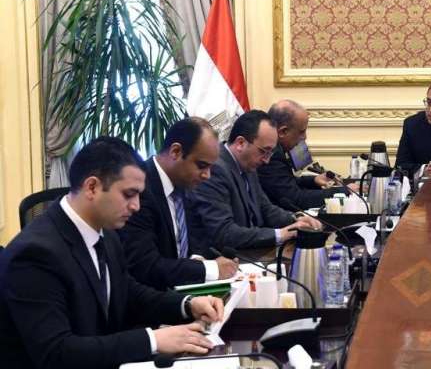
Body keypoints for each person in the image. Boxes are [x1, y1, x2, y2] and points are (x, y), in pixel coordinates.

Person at [0, 137, 224, 369]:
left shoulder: (105, 232)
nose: (136, 206)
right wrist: (153, 340)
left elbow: (127, 292)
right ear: (92, 187)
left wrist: (187, 304)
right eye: (129, 194)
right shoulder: (35, 254)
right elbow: (56, 352)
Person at [119, 118, 239, 290]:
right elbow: (145, 267)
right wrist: (210, 268)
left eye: (210, 168)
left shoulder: (182, 184)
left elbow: (188, 246)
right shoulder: (140, 190)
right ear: (175, 152)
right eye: (202, 166)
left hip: (181, 291)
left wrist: (197, 259)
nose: (207, 175)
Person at [187, 110, 321, 251]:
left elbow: (265, 208)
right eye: (264, 151)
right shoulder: (214, 169)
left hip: (249, 253)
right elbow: (224, 233)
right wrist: (280, 234)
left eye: (270, 153)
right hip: (221, 258)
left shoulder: (247, 164)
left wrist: (296, 218)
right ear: (240, 143)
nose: (267, 160)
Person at [257, 100, 356, 209]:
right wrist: (344, 191)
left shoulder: (277, 148)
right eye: (301, 132)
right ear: (283, 132)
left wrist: (314, 180)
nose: (304, 137)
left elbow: (286, 182)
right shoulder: (270, 154)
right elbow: (297, 199)